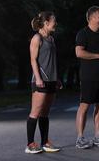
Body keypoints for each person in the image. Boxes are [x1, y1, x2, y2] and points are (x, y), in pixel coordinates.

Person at [75, 6, 99, 149]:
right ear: (91, 18)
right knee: (84, 106)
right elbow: (79, 52)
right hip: (88, 76)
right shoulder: (82, 34)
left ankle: (98, 136)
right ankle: (80, 138)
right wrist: (98, 56)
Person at [25, 11, 62, 154]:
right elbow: (33, 60)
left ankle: (45, 142)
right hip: (40, 81)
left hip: (51, 80)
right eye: (54, 21)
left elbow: (52, 61)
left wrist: (57, 78)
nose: (56, 23)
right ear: (46, 23)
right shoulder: (37, 38)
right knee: (35, 112)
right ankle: (30, 144)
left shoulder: (51, 39)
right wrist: (38, 78)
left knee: (45, 114)